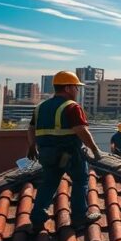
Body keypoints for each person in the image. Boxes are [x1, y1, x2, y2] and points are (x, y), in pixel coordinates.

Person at [25, 71, 104, 230]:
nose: (77, 90)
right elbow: (82, 131)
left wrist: (32, 147)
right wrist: (95, 150)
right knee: (80, 180)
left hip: (47, 154)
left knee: (49, 183)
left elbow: (31, 129)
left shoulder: (40, 107)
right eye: (76, 87)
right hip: (69, 154)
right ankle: (80, 217)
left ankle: (37, 218)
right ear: (68, 88)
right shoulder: (72, 107)